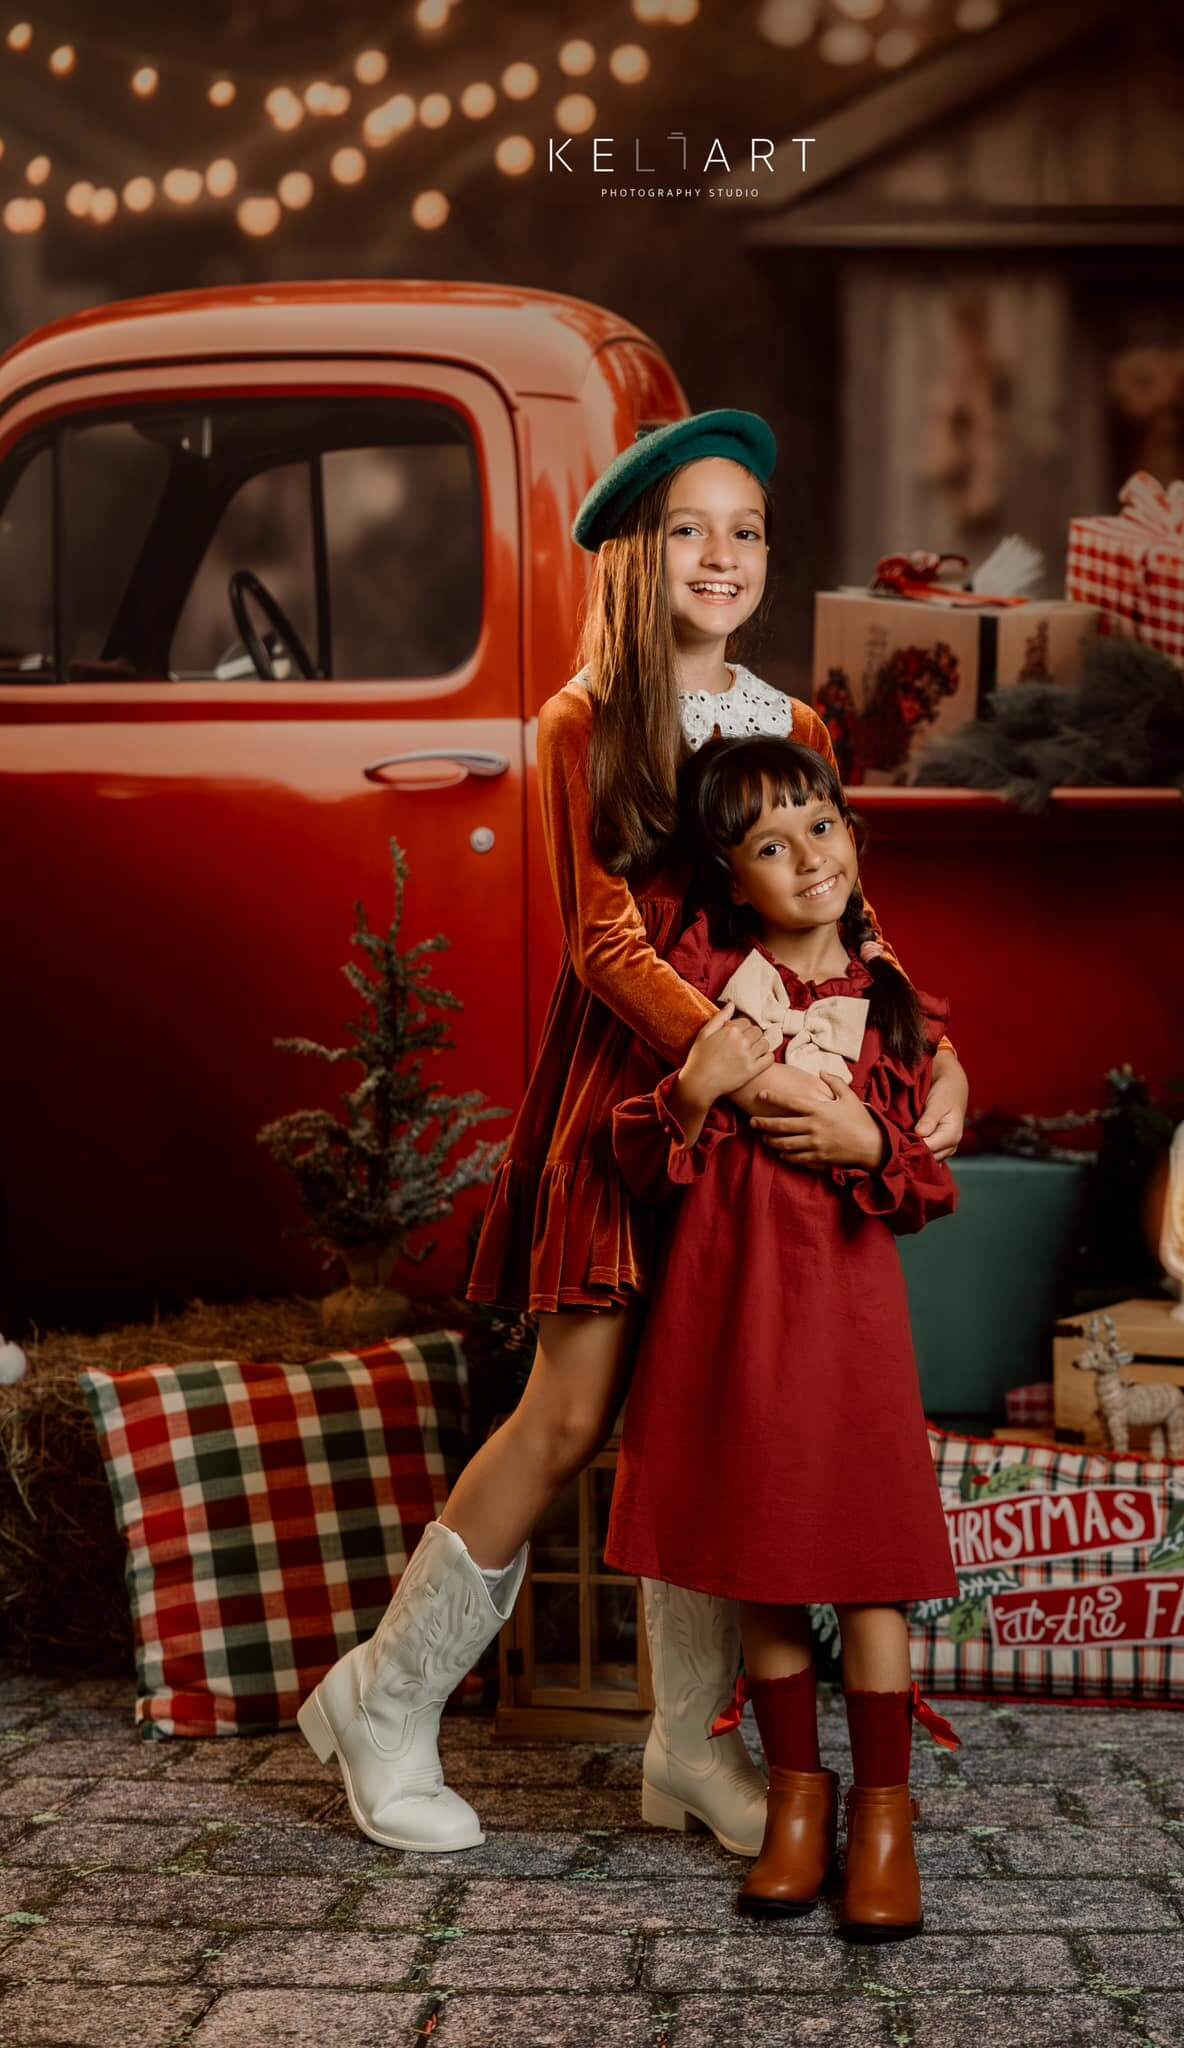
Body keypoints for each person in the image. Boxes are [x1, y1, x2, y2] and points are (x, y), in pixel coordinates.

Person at [298, 411, 969, 1857]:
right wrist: (735, 1068)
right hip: (642, 1104)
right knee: (569, 1410)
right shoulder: (582, 719)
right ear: (633, 555)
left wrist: (919, 1028)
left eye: (746, 531)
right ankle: (384, 1698)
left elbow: (842, 909)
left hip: (770, 1125)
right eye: (690, 530)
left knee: (713, 1416)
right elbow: (605, 943)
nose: (722, 555)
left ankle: (685, 1749)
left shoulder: (792, 727)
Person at [605, 733, 963, 1941]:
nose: (807, 853)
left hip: (846, 1318)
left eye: (820, 823)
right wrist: (697, 1087)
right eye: (769, 841)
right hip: (727, 1310)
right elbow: (641, 1163)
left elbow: (927, 1185)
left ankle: (882, 1815)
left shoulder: (897, 1011)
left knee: (865, 1563)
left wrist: (875, 1149)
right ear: (729, 876)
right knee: (762, 1554)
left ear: (854, 835)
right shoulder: (710, 991)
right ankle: (795, 1805)